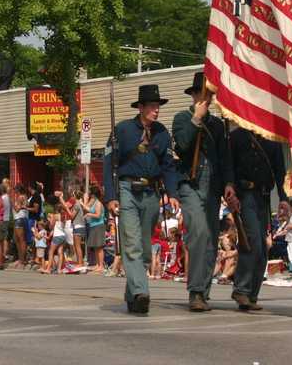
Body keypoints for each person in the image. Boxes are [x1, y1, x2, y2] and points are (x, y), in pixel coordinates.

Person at [103, 84, 178, 315]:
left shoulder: (163, 133)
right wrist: (111, 196)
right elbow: (109, 164)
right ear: (142, 107)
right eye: (153, 106)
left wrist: (173, 194)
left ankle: (132, 296)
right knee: (132, 244)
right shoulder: (122, 130)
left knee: (145, 250)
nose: (157, 110)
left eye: (158, 106)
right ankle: (141, 293)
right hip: (127, 189)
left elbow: (168, 165)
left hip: (152, 193)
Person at [170, 71, 238, 312]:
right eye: (202, 93)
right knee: (198, 234)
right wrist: (196, 120)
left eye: (209, 94)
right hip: (191, 184)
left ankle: (203, 292)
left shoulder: (218, 125)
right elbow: (184, 145)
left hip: (213, 188)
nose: (206, 98)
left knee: (210, 241)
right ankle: (196, 291)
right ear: (194, 95)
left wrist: (229, 183)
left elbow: (225, 158)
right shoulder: (181, 119)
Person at [229, 126, 289, 312]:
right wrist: (230, 189)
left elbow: (280, 171)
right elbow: (229, 166)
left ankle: (251, 294)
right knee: (252, 240)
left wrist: (284, 198)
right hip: (244, 195)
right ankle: (241, 290)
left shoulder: (272, 137)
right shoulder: (236, 137)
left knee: (263, 247)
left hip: (263, 197)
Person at [82, 186, 106, 273]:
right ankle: (97, 264)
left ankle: (101, 266)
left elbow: (98, 215)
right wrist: (83, 203)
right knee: (96, 246)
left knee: (99, 247)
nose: (90, 195)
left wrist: (89, 215)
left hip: (98, 226)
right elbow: (88, 209)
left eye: (91, 194)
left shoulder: (98, 203)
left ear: (93, 194)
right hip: (93, 226)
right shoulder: (95, 202)